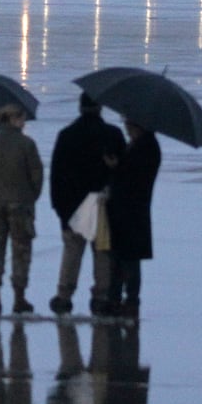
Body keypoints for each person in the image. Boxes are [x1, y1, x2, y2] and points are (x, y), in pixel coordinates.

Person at [47, 94, 126, 316]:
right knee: (102, 252)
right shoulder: (113, 135)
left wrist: (60, 209)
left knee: (72, 252)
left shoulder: (66, 135)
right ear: (100, 108)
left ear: (80, 107)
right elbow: (123, 171)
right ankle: (100, 296)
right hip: (103, 202)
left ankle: (64, 295)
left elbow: (56, 175)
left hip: (73, 204)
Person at [0, 103, 43, 315]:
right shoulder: (27, 144)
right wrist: (31, 197)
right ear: (12, 119)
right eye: (21, 118)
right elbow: (37, 176)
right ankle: (19, 297)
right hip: (20, 202)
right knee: (21, 250)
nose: (23, 122)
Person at [105, 117, 161, 320]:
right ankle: (119, 298)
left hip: (131, 210)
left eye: (128, 124)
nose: (126, 128)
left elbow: (132, 178)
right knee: (122, 257)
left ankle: (129, 300)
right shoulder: (142, 145)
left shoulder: (145, 148)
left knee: (128, 259)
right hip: (129, 210)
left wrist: (115, 167)